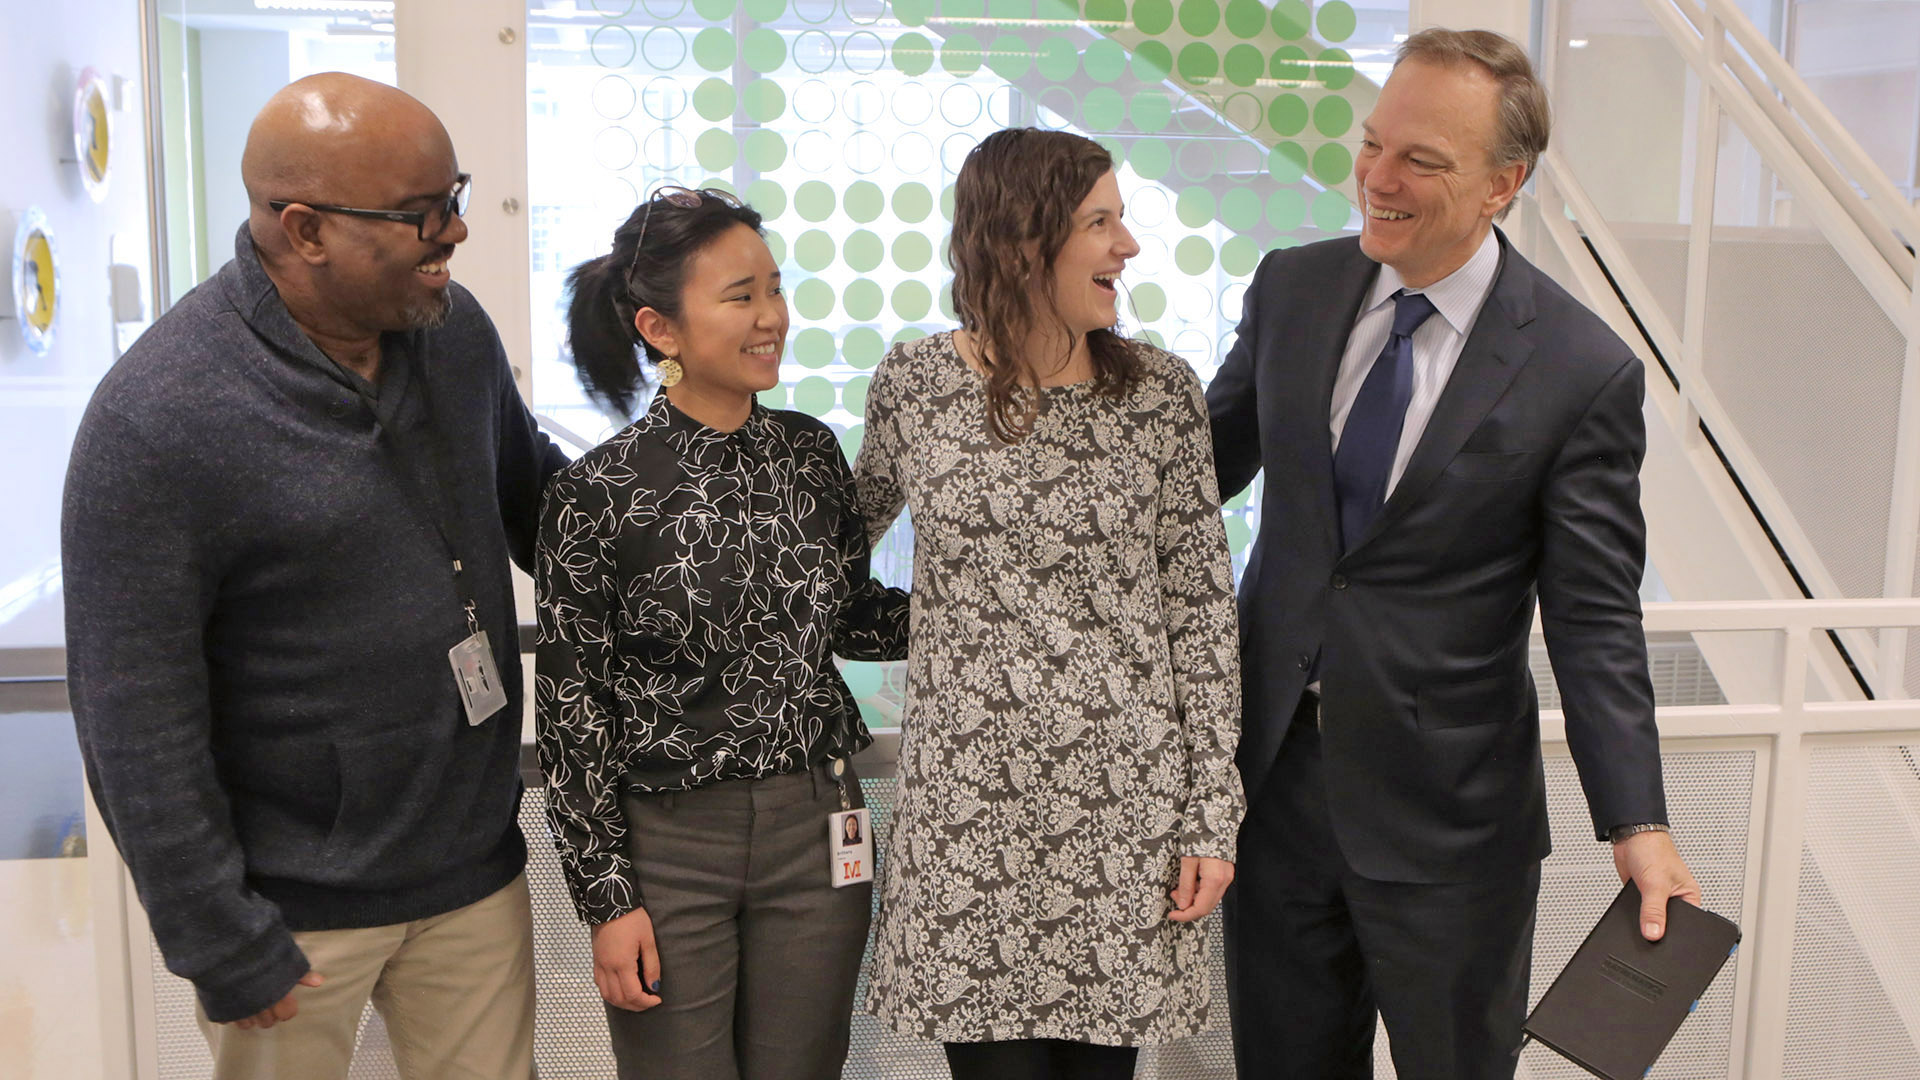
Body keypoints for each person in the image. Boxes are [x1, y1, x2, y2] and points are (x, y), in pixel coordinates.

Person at [1206, 28, 1703, 1080]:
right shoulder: (1292, 291)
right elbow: (1196, 472)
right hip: (1275, 793)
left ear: (1502, 184)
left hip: (1451, 829)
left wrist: (1639, 819)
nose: (1377, 179)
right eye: (1374, 144)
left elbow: (1594, 616)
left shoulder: (1581, 369)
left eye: (1420, 160)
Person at [62, 74, 567, 1079]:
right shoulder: (157, 417)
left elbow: (546, 512)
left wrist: (695, 507)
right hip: (289, 908)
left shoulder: (452, 336)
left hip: (469, 870)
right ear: (305, 230)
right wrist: (218, 935)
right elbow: (133, 716)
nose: (455, 233)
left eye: (453, 196)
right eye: (425, 214)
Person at [854, 127, 1245, 1080]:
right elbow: (831, 559)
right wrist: (938, 627)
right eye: (1100, 223)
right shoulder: (916, 384)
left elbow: (1200, 613)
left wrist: (1211, 817)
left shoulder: (1160, 394)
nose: (1128, 246)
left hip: (1125, 821)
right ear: (1022, 241)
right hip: (968, 823)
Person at [537, 185, 910, 1080]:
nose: (771, 317)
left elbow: (854, 620)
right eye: (740, 296)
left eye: (774, 289)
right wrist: (607, 898)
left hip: (817, 827)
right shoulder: (596, 496)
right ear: (660, 329)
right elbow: (573, 712)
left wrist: (988, 601)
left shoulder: (811, 455)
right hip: (669, 849)